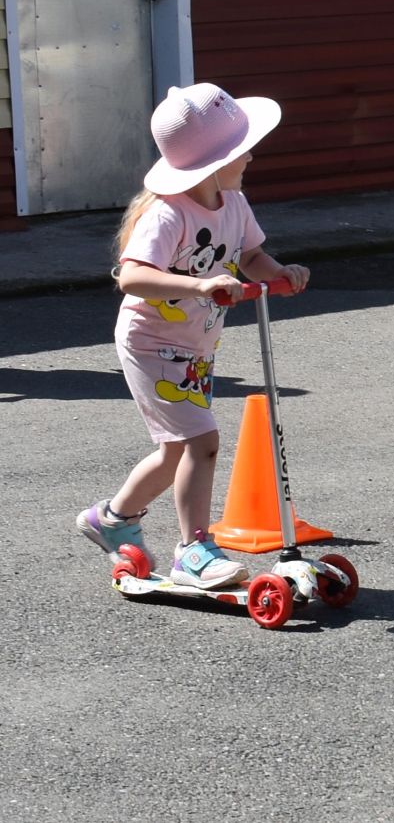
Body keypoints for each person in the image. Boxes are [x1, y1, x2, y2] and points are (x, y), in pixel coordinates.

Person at [76, 83, 310, 588]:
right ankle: (194, 550)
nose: (249, 156)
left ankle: (112, 519)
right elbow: (132, 276)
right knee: (201, 442)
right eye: (240, 149)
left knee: (175, 449)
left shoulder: (234, 202)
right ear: (215, 160)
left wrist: (280, 272)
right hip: (151, 342)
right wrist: (200, 283)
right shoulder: (169, 212)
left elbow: (249, 257)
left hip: (194, 345)